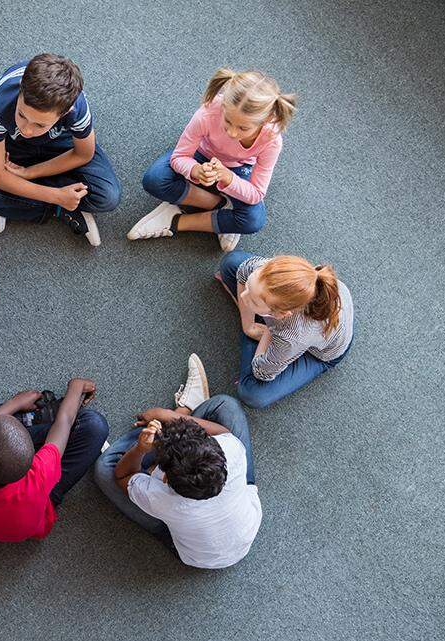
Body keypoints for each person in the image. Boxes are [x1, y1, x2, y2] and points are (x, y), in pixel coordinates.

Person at [93, 354, 262, 569]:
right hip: (244, 532)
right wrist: (165, 415)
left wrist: (141, 448)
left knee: (104, 469)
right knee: (225, 406)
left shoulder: (162, 499)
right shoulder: (231, 451)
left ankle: (174, 418)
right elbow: (223, 432)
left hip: (193, 554)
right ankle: (180, 414)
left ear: (164, 478)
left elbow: (121, 475)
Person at [0, 53, 121, 247]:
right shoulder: (0, 103)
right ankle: (60, 208)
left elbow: (83, 154)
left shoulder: (77, 108)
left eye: (39, 125)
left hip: (60, 142)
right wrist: (56, 196)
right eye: (22, 115)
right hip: (11, 142)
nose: (26, 129)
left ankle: (9, 199)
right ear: (20, 93)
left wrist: (27, 173)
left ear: (65, 113)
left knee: (108, 196)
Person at [128, 68, 296, 252]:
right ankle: (220, 206)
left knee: (253, 220)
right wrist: (195, 170)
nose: (232, 132)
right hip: (201, 154)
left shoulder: (272, 140)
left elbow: (256, 193)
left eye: (243, 128)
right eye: (228, 121)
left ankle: (176, 221)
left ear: (266, 120)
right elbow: (180, 156)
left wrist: (228, 178)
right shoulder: (208, 112)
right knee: (154, 180)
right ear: (223, 105)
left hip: (239, 169)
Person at [0, 378, 108, 542]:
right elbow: (65, 421)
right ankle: (30, 421)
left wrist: (15, 403)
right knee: (95, 425)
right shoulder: (40, 473)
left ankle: (23, 419)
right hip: (41, 503)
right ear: (33, 460)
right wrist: (76, 386)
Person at [216, 251, 355, 409]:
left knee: (251, 393)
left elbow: (262, 371)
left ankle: (265, 330)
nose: (243, 296)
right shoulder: (260, 269)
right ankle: (260, 321)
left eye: (253, 299)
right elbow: (243, 272)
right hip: (297, 325)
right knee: (231, 262)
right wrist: (248, 327)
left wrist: (271, 331)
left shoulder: (291, 337)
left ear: (282, 314)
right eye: (248, 287)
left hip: (324, 352)